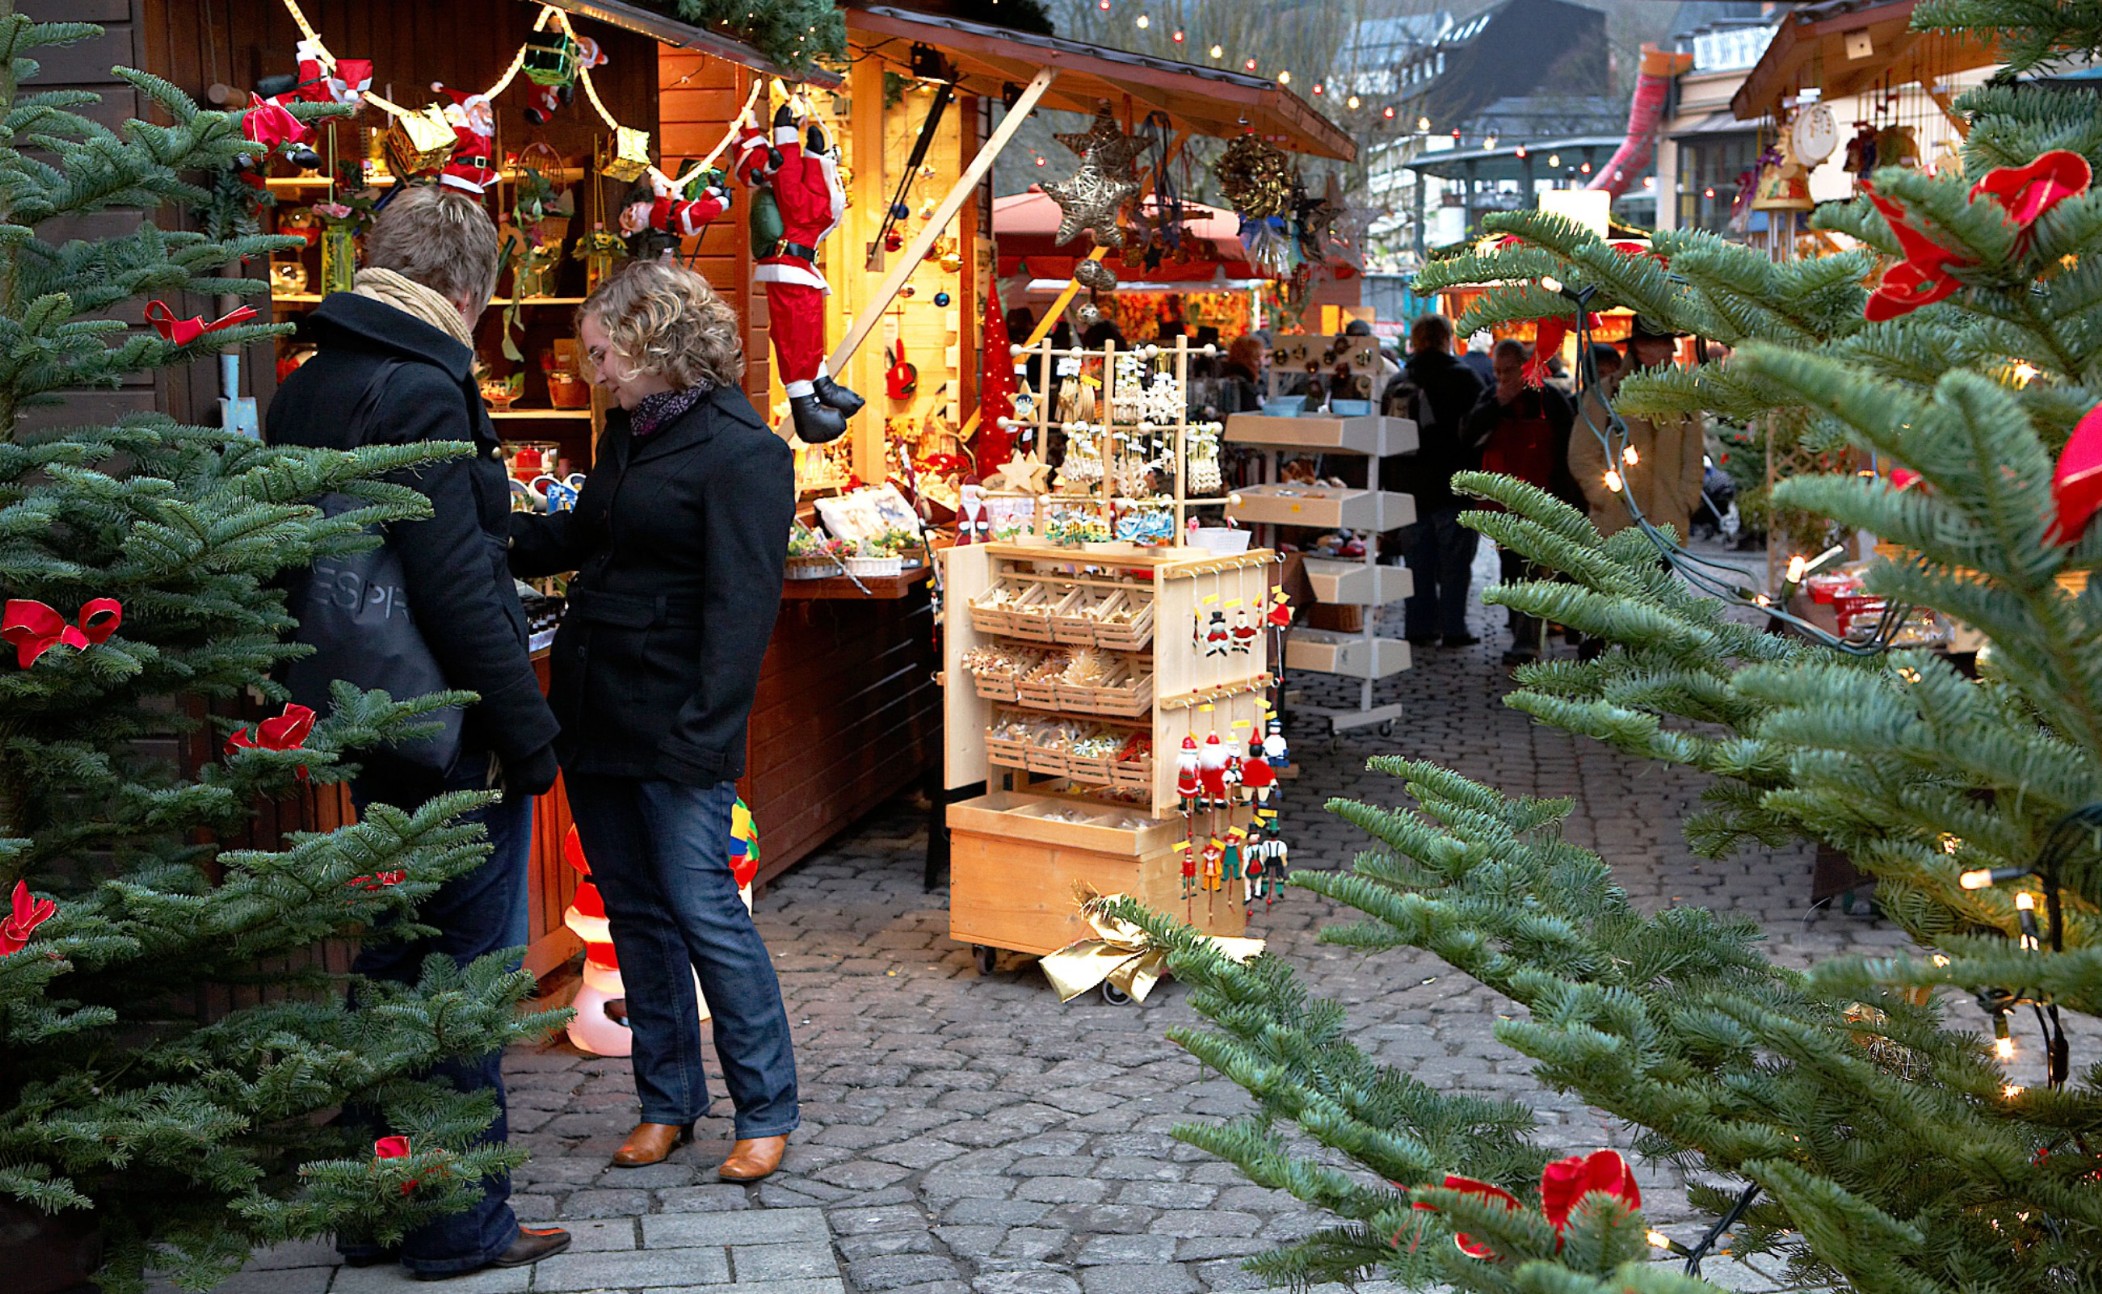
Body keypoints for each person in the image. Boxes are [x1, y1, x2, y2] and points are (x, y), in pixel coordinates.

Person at [267, 185, 570, 1279]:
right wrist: (526, 732)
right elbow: (455, 585)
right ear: (470, 288)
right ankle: (457, 1222)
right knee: (460, 977)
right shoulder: (426, 387)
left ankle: (371, 1203)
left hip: (357, 709)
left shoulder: (310, 381)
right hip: (445, 727)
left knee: (397, 954)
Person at [509, 260, 800, 1183]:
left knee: (705, 911)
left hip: (678, 722)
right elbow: (585, 536)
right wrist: (482, 521)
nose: (593, 372)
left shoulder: (742, 451)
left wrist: (705, 735)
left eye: (602, 353)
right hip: (596, 709)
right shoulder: (630, 430)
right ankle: (667, 1102)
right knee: (633, 912)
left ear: (654, 341)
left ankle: (766, 1109)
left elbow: (742, 612)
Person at [1465, 339, 1579, 664]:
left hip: (1543, 501)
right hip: (1502, 504)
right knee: (1511, 568)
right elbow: (1467, 435)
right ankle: (1520, 628)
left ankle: (1528, 641)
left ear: (1525, 367)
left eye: (1509, 371)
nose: (1502, 379)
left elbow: (1569, 451)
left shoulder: (1551, 399)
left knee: (1533, 569)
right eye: (1498, 372)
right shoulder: (1491, 398)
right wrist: (1495, 406)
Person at [1380, 314, 1488, 647]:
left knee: (1417, 566)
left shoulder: (1398, 382)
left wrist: (1388, 487)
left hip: (1408, 490)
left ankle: (1418, 628)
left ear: (1415, 342)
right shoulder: (1465, 379)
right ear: (1446, 339)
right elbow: (1481, 432)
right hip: (1454, 488)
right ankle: (1453, 628)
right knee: (1455, 566)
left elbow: (1384, 441)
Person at [1569, 317, 1705, 540]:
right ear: (1640, 346)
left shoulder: (1683, 398)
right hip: (1616, 524)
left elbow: (1693, 456)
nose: (1670, 349)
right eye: (1662, 342)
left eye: (1668, 342)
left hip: (1666, 524)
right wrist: (1604, 498)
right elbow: (1581, 455)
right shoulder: (1604, 394)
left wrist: (1685, 501)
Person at [1221, 334, 1266, 412]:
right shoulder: (1247, 387)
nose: (1260, 363)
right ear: (1245, 359)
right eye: (1256, 358)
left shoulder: (1224, 377)